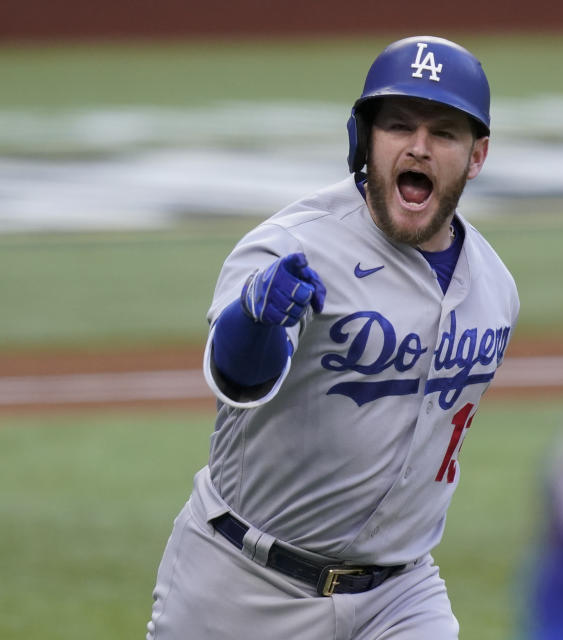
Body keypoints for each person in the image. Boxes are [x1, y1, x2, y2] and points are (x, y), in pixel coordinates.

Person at [147, 35, 519, 639]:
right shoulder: (293, 246)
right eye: (398, 126)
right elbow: (238, 377)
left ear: (476, 156)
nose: (419, 147)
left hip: (402, 594)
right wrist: (257, 317)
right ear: (364, 140)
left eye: (444, 132)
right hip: (245, 583)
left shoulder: (496, 289)